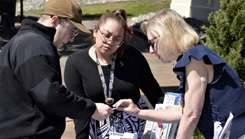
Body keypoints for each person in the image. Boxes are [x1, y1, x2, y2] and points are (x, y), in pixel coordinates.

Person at [114, 9, 245, 139]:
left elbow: (191, 115)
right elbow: (182, 112)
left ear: (167, 35)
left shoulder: (194, 59)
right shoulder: (194, 55)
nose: (151, 50)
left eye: (152, 43)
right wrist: (139, 112)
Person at [0, 0, 113, 138]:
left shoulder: (27, 41)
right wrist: (91, 109)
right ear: (55, 20)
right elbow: (50, 95)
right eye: (73, 31)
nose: (71, 39)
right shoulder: (35, 44)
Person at [64, 9, 163, 139]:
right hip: (97, 130)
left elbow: (154, 93)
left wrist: (168, 119)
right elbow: (79, 108)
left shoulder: (132, 57)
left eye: (117, 39)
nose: (110, 41)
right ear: (95, 31)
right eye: (106, 35)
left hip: (134, 129)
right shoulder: (76, 62)